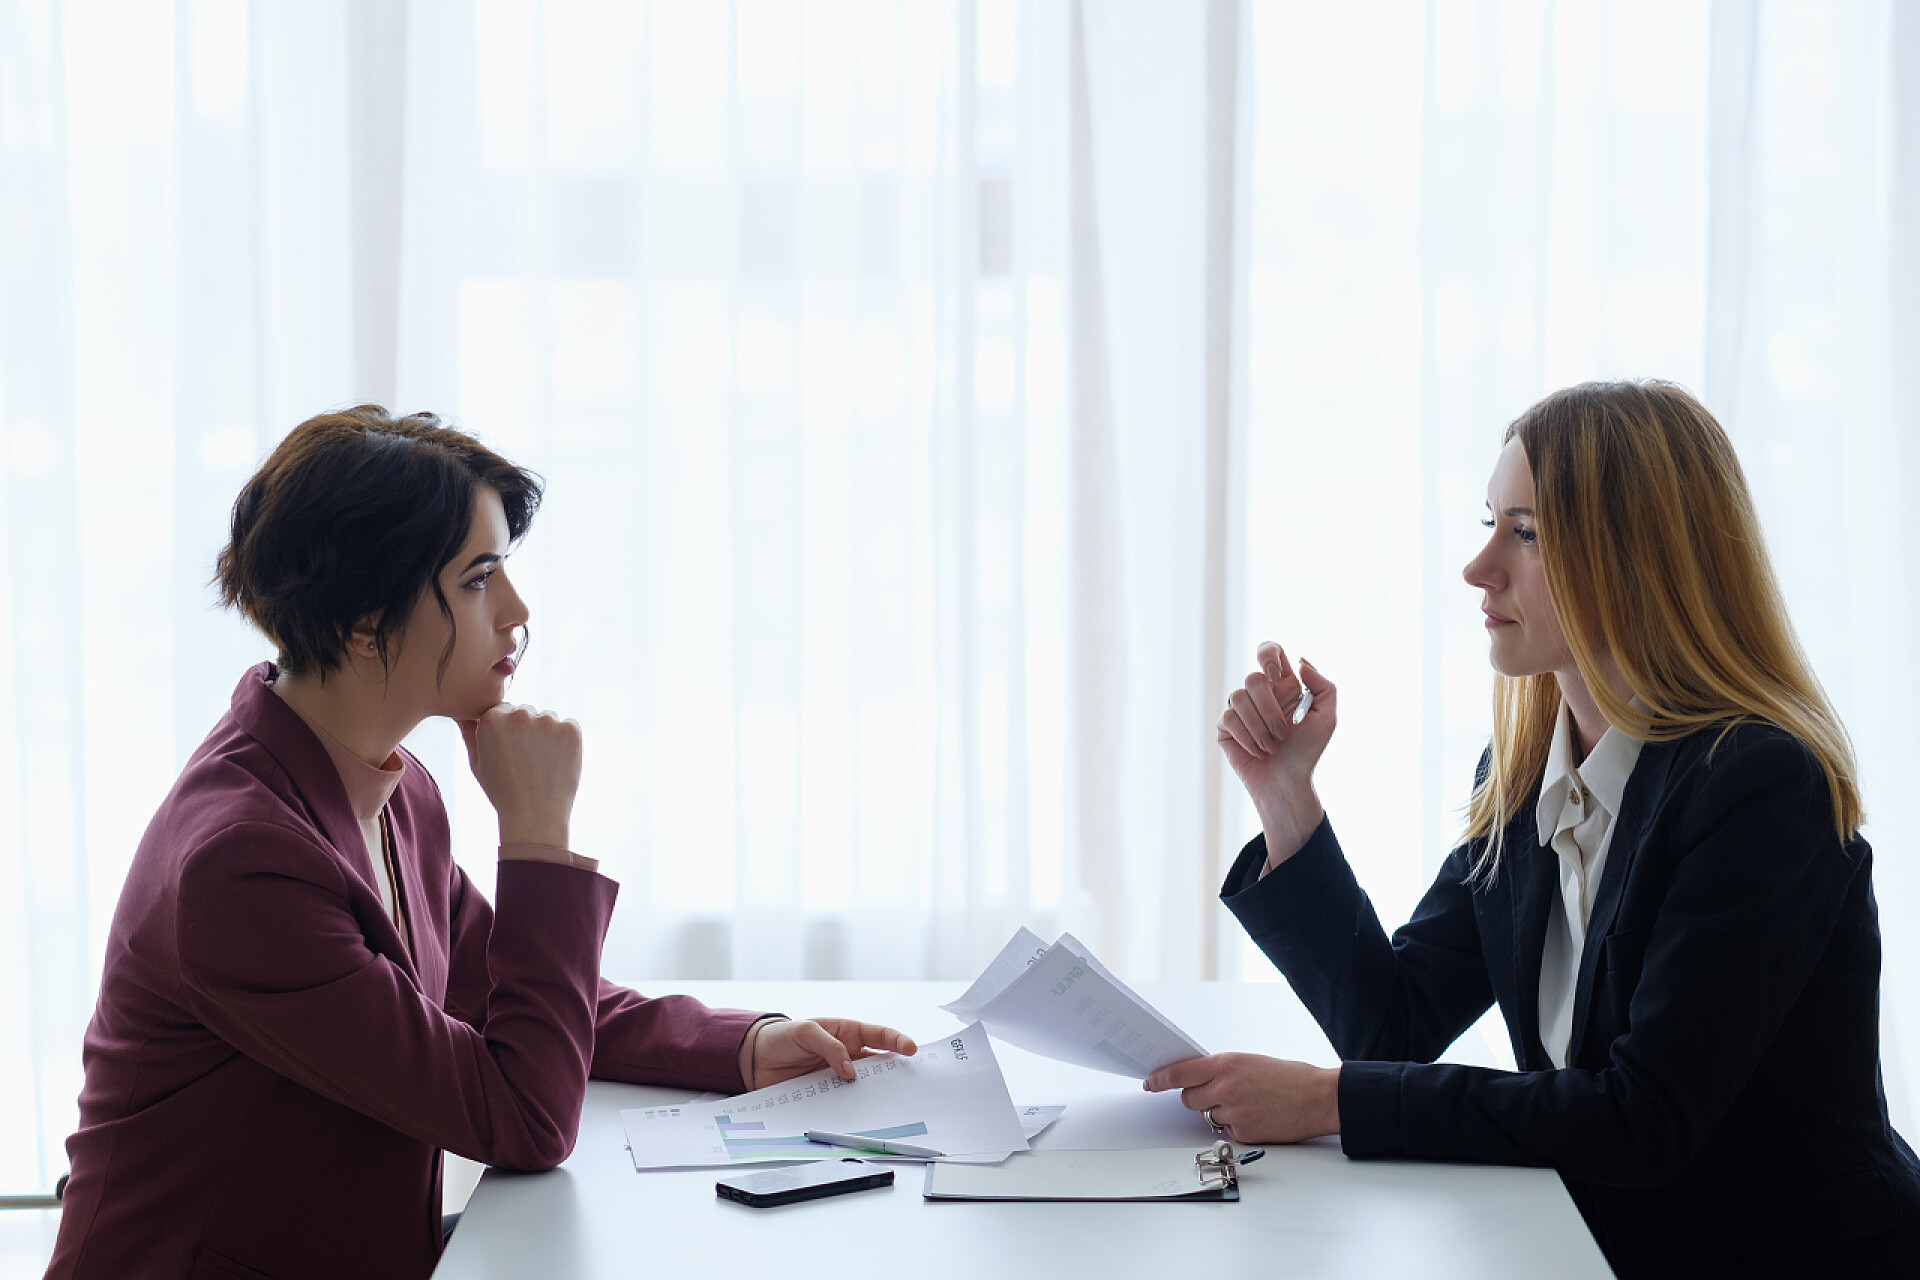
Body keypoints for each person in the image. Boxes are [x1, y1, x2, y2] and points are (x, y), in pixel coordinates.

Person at [45, 407, 915, 1280]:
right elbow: (521, 1117)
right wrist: (536, 835)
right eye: (476, 579)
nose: (517, 610)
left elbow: (513, 1001)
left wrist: (741, 1045)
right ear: (361, 619)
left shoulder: (390, 786)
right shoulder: (241, 866)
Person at [1145, 381, 1920, 1276]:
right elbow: (1392, 1027)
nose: (1480, 569)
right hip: (1602, 1248)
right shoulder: (1520, 778)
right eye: (1491, 523)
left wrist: (1331, 1101)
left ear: (1642, 559)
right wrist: (1286, 796)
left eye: (1526, 533)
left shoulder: (1759, 784)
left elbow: (1644, 1118)